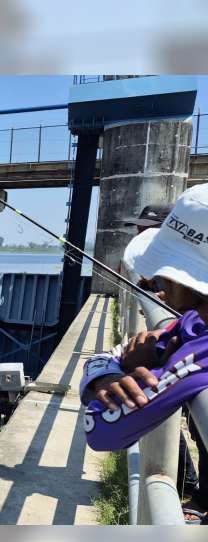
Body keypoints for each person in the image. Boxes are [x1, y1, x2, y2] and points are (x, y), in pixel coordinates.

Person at [79, 184, 208, 517]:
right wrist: (105, 376)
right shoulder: (192, 323)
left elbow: (101, 428)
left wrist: (113, 374)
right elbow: (104, 358)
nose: (159, 294)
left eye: (164, 278)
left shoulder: (198, 349)